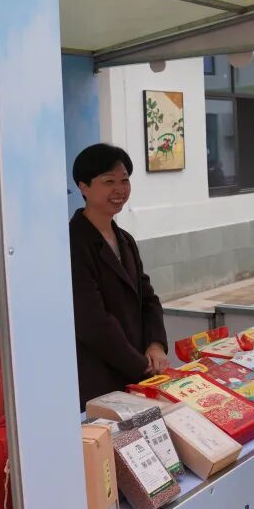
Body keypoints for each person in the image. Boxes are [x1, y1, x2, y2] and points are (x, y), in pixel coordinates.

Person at [69, 144, 169, 407]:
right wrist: (141, 366)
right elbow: (92, 322)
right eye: (108, 181)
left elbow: (148, 299)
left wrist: (156, 344)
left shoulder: (125, 239)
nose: (120, 189)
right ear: (83, 187)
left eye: (124, 180)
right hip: (99, 379)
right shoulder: (72, 243)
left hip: (137, 373)